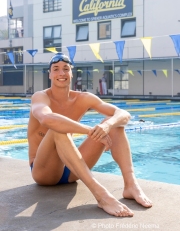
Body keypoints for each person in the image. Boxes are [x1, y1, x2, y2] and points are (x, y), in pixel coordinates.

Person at [28, 52, 152, 218]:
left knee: (115, 124)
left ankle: (131, 185)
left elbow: (123, 114)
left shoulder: (83, 98)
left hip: (72, 170)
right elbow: (47, 119)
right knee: (57, 128)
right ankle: (101, 195)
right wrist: (90, 131)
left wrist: (107, 125)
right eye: (56, 69)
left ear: (72, 73)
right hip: (44, 172)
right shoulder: (40, 97)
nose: (61, 73)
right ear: (50, 74)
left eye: (66, 69)